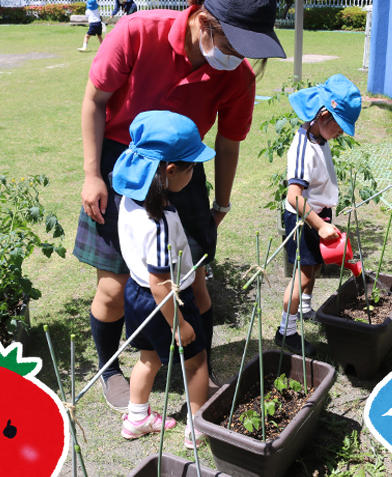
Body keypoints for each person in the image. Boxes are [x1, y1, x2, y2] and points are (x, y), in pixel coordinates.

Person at [73, 0, 286, 413]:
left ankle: (195, 364)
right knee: (115, 287)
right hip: (124, 165)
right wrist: (92, 174)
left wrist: (221, 202)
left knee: (192, 280)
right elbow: (95, 101)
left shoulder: (237, 76)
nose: (240, 57)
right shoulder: (137, 32)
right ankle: (109, 368)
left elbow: (227, 142)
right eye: (234, 43)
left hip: (185, 169)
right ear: (204, 21)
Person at [113, 110, 213, 448]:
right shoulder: (159, 223)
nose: (195, 172)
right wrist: (179, 323)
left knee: (148, 357)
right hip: (167, 302)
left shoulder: (129, 200)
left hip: (136, 295)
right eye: (192, 167)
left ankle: (137, 418)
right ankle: (198, 428)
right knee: (196, 362)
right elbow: (162, 283)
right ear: (170, 171)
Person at [276, 74, 362, 355]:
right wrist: (319, 226)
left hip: (318, 215)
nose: (340, 134)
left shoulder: (319, 139)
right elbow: (294, 197)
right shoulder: (302, 148)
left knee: (312, 268)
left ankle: (305, 308)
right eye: (339, 127)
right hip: (304, 219)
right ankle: (285, 332)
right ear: (323, 115)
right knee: (301, 275)